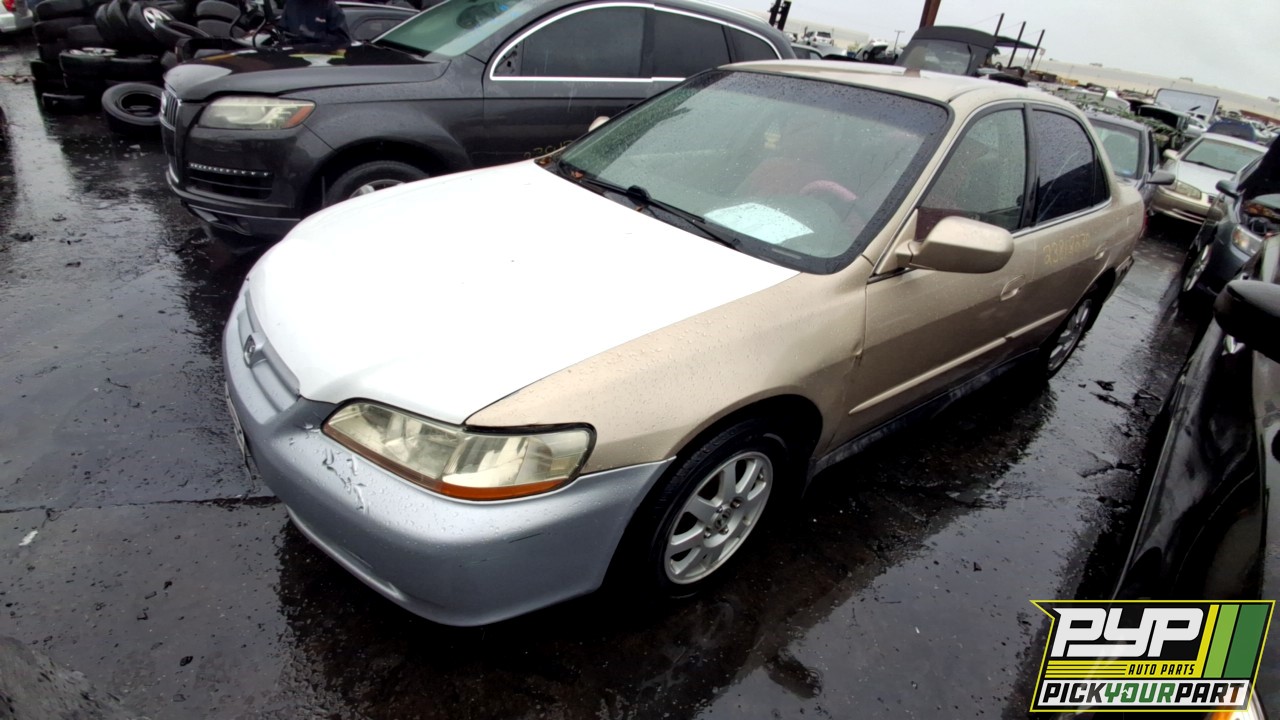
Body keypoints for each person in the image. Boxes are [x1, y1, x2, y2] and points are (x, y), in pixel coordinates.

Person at [279, 0, 350, 44]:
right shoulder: (291, 4)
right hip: (294, 59)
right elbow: (282, 31)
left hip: (322, 59)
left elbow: (343, 39)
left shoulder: (328, 5)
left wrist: (313, 35)